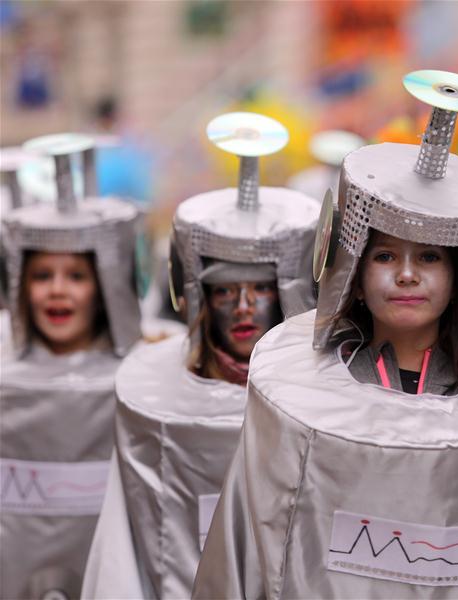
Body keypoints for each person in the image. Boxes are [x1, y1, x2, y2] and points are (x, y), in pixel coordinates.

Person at [192, 71, 458, 599]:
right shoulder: (295, 395)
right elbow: (249, 548)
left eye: (431, 258)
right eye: (386, 255)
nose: (407, 275)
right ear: (351, 269)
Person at [81, 113, 320, 599]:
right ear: (199, 298)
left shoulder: (328, 407)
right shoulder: (152, 400)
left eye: (260, 289)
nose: (245, 307)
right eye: (226, 290)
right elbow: (123, 550)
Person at [0, 134, 142, 599]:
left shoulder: (143, 383)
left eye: (76, 276)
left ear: (102, 286)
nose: (57, 291)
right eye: (43, 276)